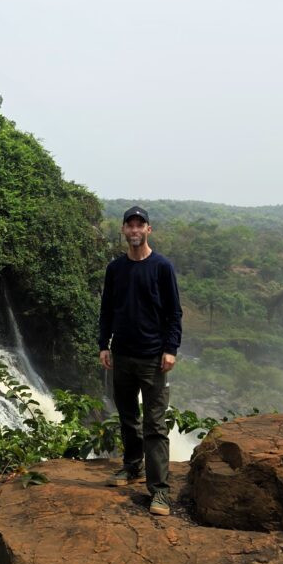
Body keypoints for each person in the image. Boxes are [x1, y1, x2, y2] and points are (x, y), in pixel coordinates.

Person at [98, 205, 182, 516]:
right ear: (123, 230)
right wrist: (103, 345)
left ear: (148, 230)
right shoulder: (116, 269)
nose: (134, 230)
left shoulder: (162, 267)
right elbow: (107, 310)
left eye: (140, 225)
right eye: (129, 225)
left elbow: (174, 313)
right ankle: (132, 466)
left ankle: (160, 492)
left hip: (152, 358)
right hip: (121, 355)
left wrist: (170, 348)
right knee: (128, 416)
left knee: (155, 425)